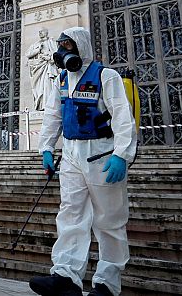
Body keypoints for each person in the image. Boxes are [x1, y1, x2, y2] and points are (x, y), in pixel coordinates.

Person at [29, 27, 137, 296]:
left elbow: (123, 117)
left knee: (109, 219)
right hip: (71, 154)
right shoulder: (61, 79)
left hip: (102, 152)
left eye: (69, 45)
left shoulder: (105, 76)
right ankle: (66, 275)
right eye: (61, 45)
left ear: (82, 46)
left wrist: (121, 155)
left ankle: (107, 283)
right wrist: (45, 149)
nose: (64, 50)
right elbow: (53, 116)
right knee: (71, 214)